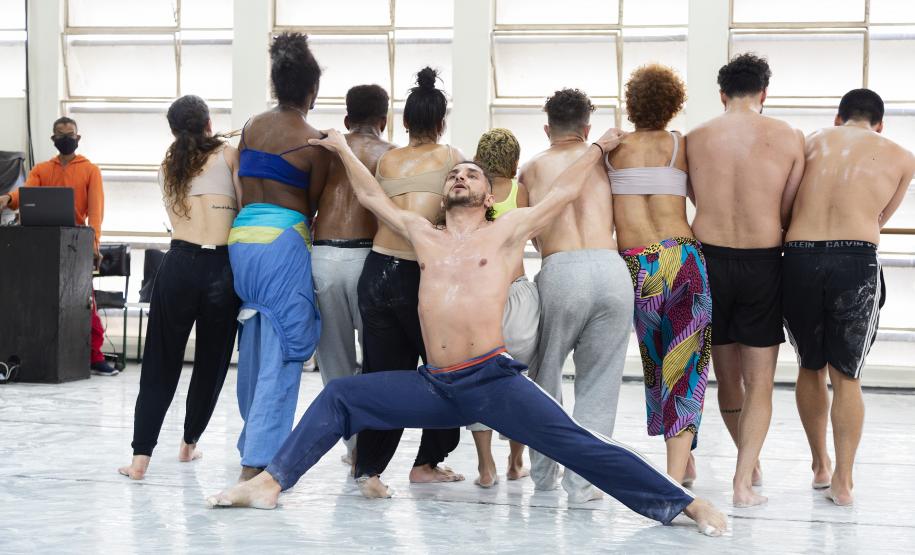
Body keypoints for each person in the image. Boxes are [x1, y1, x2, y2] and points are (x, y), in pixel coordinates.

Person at [205, 127, 728, 538]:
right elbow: (372, 198)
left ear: (487, 194)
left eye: (472, 176)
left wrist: (596, 150)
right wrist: (342, 149)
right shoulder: (423, 235)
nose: (461, 178)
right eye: (455, 174)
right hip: (435, 384)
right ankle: (270, 484)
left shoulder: (506, 231)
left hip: (493, 383)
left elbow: (563, 193)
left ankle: (683, 503)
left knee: (578, 442)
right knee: (342, 394)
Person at [782, 88, 915, 506]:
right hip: (855, 259)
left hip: (799, 256)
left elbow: (786, 203)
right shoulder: (901, 155)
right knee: (847, 375)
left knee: (809, 366)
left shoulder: (809, 142)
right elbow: (880, 217)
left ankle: (819, 465)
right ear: (880, 124)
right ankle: (843, 481)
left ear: (838, 118)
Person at [685, 53, 805, 507]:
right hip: (762, 261)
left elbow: (694, 194)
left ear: (722, 94)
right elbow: (788, 209)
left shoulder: (696, 138)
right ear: (764, 93)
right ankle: (742, 480)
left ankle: (746, 461)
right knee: (760, 381)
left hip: (708, 259)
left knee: (726, 378)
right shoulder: (789, 137)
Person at [353, 67, 466, 498]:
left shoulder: (387, 159)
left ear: (404, 122)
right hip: (418, 277)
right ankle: (427, 462)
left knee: (382, 376)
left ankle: (369, 470)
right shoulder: (453, 159)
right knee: (446, 369)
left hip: (375, 271)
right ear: (441, 123)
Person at [118, 95, 242, 480]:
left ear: (173, 130)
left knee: (160, 359)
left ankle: (140, 459)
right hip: (221, 269)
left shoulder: (167, 167)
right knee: (212, 361)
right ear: (209, 123)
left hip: (178, 266)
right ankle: (189, 444)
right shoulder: (230, 155)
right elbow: (248, 206)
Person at [520, 88, 633, 504]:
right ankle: (584, 486)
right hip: (610, 268)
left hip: (561, 269)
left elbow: (527, 230)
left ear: (548, 127)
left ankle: (545, 477)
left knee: (545, 378)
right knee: (600, 383)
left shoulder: (531, 169)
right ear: (588, 127)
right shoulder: (607, 161)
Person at [230, 32, 331, 482]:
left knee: (253, 344)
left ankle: (251, 440)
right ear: (312, 90)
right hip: (282, 241)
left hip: (241, 238)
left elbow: (240, 176)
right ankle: (258, 464)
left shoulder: (251, 125)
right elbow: (312, 204)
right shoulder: (312, 140)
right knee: (286, 349)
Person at [609, 65, 709, 486]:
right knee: (685, 365)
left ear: (632, 103)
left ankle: (680, 464)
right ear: (673, 104)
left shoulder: (611, 148)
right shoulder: (680, 145)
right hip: (682, 256)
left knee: (656, 362)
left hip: (637, 264)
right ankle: (676, 467)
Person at [312, 84, 395, 464]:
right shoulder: (392, 156)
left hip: (324, 255)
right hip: (369, 257)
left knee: (334, 359)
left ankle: (352, 445)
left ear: (346, 119)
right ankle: (371, 449)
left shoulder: (322, 149)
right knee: (376, 357)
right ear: (384, 120)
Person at [0, 117, 117, 377]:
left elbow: (96, 212)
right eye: (61, 135)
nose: (66, 139)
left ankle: (94, 357)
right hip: (42, 243)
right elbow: (25, 194)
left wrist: (94, 244)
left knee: (85, 301)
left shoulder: (90, 170)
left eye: (70, 134)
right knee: (39, 301)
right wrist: (8, 198)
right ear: (54, 139)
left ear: (78, 138)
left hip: (76, 243)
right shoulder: (42, 169)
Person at [468, 128, 537, 488]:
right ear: (514, 160)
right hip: (516, 292)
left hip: (480, 295)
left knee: (479, 378)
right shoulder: (519, 192)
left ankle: (485, 467)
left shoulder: (473, 193)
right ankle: (516, 461)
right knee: (517, 381)